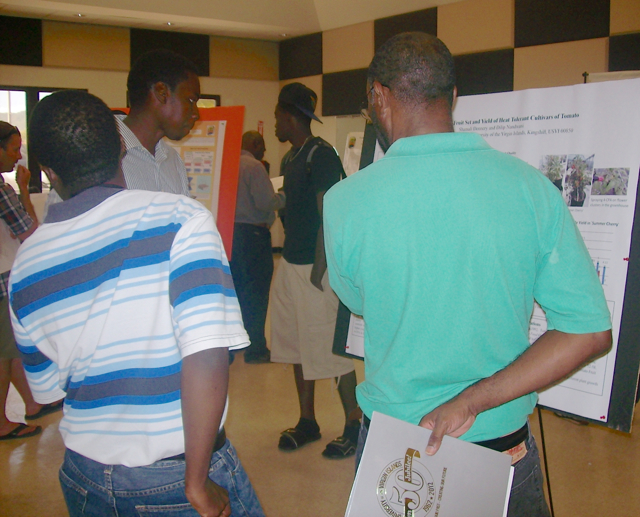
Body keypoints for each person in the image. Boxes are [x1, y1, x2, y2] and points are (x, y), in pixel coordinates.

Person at [323, 32, 612, 516]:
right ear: (454, 98)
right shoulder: (529, 189)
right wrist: (473, 400)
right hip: (501, 446)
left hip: (397, 447)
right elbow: (588, 330)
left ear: (377, 96)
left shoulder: (346, 202)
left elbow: (359, 302)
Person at [11, 90, 264, 517]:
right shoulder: (180, 219)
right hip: (174, 476)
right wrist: (197, 481)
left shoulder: (26, 264)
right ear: (121, 148)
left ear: (48, 170)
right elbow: (206, 355)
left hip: (84, 477)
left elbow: (47, 388)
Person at [270, 83, 360, 459]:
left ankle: (354, 423)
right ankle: (308, 420)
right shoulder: (291, 159)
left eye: (277, 117)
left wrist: (321, 270)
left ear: (291, 117)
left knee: (332, 348)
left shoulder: (320, 155)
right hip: (290, 264)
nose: (275, 124)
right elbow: (292, 206)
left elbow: (331, 215)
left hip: (315, 268)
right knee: (293, 344)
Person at [44, 48, 200, 212]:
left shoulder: (173, 161)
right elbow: (62, 229)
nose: (196, 114)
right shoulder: (93, 156)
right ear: (162, 93)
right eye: (191, 100)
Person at [0, 122, 62, 441]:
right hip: (4, 277)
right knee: (4, 353)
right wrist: (24, 190)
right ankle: (2, 422)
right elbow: (29, 232)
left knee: (9, 350)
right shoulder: (2, 188)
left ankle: (34, 402)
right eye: (13, 148)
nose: (19, 155)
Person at [230, 131, 285, 364]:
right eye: (261, 145)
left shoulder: (229, 164)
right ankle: (256, 349)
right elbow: (266, 202)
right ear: (253, 144)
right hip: (253, 237)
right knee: (257, 293)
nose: (264, 150)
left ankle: (233, 346)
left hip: (229, 235)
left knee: (235, 292)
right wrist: (283, 196)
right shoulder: (254, 167)